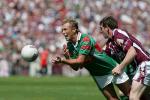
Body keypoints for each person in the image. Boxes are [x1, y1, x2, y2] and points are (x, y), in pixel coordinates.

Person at [52, 18, 131, 100]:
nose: (63, 32)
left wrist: (62, 60)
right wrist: (67, 57)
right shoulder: (70, 45)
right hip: (98, 74)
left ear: (74, 29)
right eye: (62, 30)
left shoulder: (85, 39)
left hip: (112, 68)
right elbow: (76, 68)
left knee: (130, 94)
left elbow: (80, 61)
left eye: (65, 29)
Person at [99, 16, 150, 100]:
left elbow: (132, 52)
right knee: (144, 97)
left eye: (101, 28)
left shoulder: (118, 33)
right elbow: (101, 54)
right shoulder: (111, 43)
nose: (100, 31)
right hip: (142, 67)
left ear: (107, 28)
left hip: (145, 64)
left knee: (133, 97)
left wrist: (120, 67)